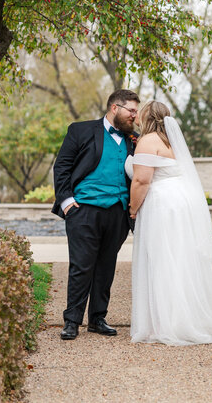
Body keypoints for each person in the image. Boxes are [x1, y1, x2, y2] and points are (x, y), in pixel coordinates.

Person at [126, 101, 212, 345]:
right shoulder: (171, 141)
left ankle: (167, 323)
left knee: (162, 259)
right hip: (180, 205)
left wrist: (133, 209)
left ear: (146, 117)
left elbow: (141, 181)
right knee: (180, 258)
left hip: (162, 205)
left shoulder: (148, 141)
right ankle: (186, 315)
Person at [52, 89, 140, 340]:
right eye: (131, 110)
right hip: (84, 210)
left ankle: (97, 318)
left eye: (136, 111)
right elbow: (62, 166)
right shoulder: (80, 130)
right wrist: (67, 202)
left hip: (117, 211)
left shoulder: (134, 138)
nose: (134, 115)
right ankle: (71, 321)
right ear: (115, 108)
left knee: (106, 266)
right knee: (81, 266)